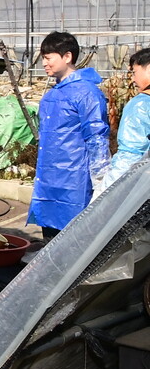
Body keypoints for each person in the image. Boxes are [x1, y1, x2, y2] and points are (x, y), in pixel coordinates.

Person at [29, 30, 109, 240]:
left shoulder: (86, 93)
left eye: (48, 58)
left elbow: (97, 137)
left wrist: (100, 179)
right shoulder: (51, 95)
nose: (44, 63)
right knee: (50, 234)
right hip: (49, 179)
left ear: (67, 57)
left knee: (73, 239)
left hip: (75, 180)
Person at [97, 47, 150, 193]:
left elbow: (131, 152)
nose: (133, 79)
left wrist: (108, 189)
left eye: (135, 73)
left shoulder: (140, 105)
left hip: (135, 182)